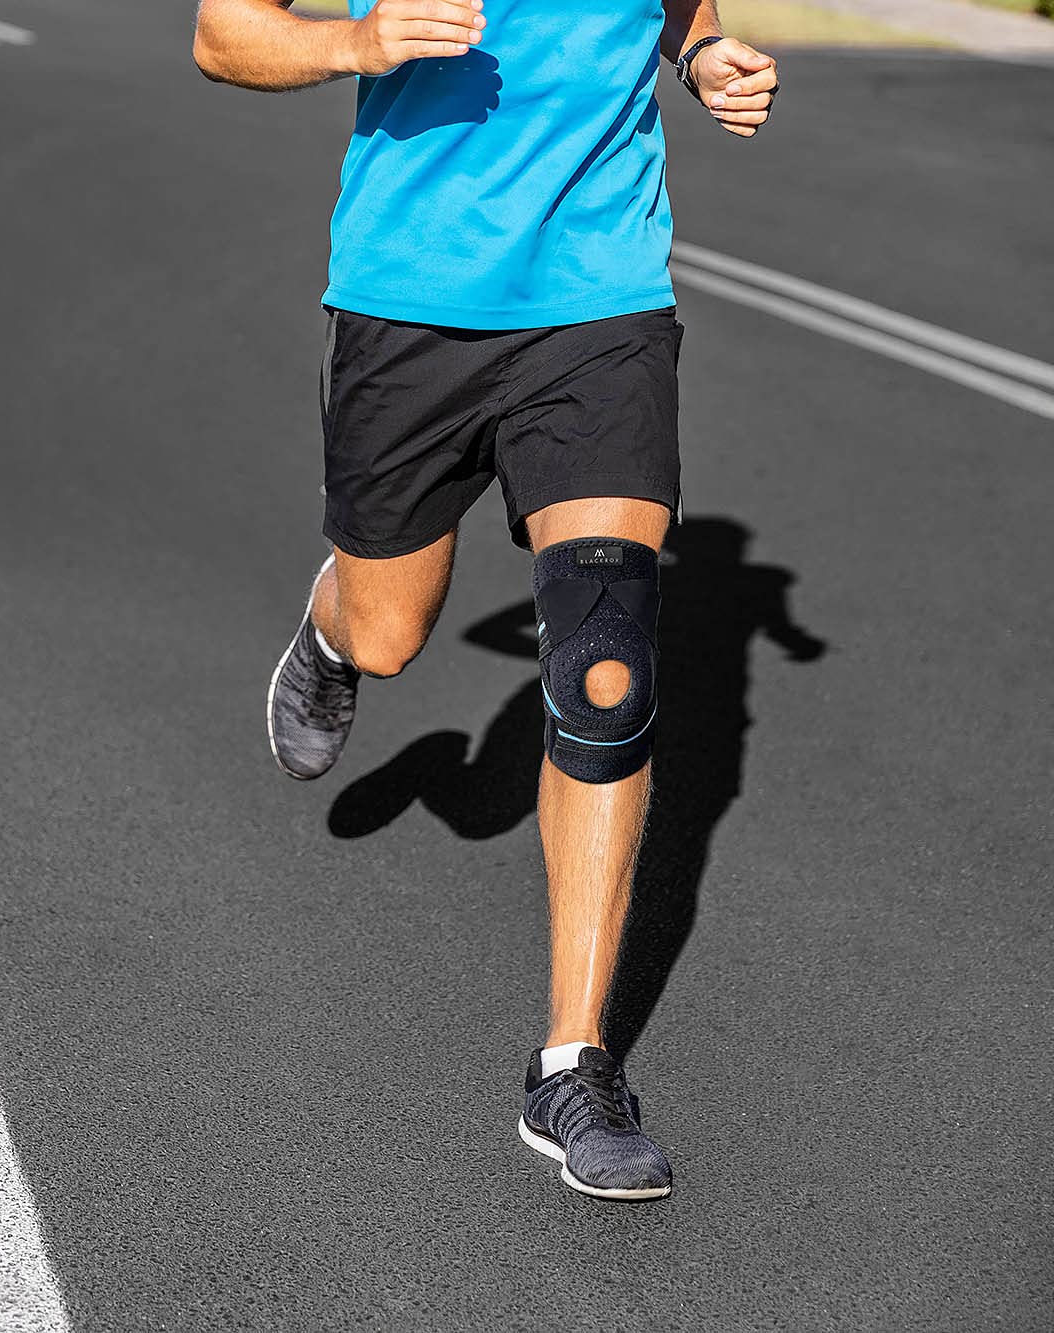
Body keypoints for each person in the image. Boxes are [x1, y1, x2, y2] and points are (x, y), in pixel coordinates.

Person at [193, 0, 778, 1200]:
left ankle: (572, 1064)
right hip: (408, 302)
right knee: (391, 628)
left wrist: (701, 52)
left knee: (605, 670)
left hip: (597, 300)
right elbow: (222, 33)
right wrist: (355, 44)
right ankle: (335, 629)